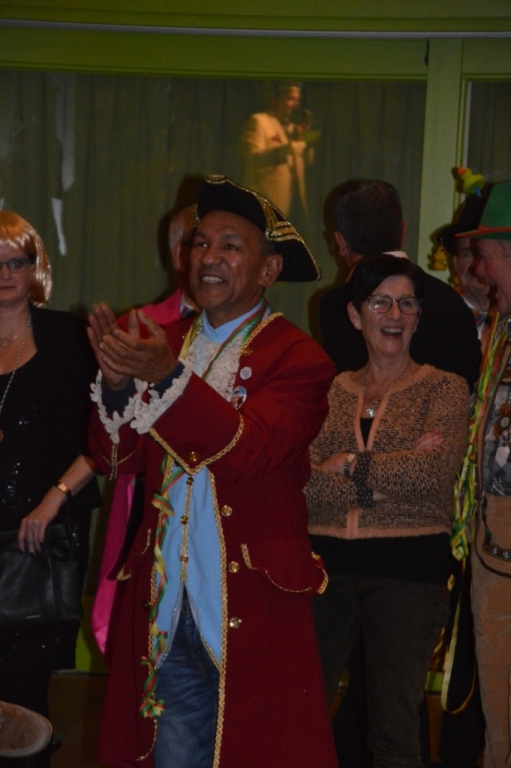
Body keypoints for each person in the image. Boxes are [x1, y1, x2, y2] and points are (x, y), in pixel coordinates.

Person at [87, 175, 337, 768]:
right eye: (200, 243)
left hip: (253, 602)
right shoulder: (162, 342)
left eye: (230, 245)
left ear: (269, 269)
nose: (208, 257)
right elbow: (114, 459)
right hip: (168, 602)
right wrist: (118, 385)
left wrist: (167, 377)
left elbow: (248, 450)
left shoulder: (299, 358)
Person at [305, 254, 469, 768]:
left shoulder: (445, 389)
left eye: (406, 304)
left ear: (418, 316)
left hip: (408, 575)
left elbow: (431, 478)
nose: (394, 315)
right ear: (356, 315)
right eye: (380, 302)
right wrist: (389, 478)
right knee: (302, 718)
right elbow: (302, 486)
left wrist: (345, 464)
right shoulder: (328, 392)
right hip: (325, 571)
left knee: (394, 734)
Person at [0, 211, 101, 768]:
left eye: (16, 262)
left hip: (41, 535)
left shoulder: (67, 335)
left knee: (24, 697)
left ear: (34, 267)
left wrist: (55, 495)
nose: (5, 274)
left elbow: (108, 434)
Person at [91, 204, 198, 660]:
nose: (213, 257)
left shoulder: (260, 338)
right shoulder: (136, 327)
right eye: (200, 244)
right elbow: (109, 443)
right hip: (151, 495)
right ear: (179, 254)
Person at [453, 182, 511, 768]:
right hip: (490, 537)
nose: (478, 268)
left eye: (485, 255)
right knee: (497, 692)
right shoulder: (501, 327)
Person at [320, 179, 481, 388]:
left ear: (341, 242)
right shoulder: (453, 303)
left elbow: (346, 393)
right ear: (403, 232)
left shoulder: (338, 304)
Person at [242, 82, 314, 219]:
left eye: (297, 100)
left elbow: (307, 162)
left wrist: (305, 141)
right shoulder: (259, 121)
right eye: (290, 99)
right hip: (267, 204)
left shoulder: (294, 128)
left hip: (294, 206)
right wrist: (291, 148)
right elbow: (252, 158)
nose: (296, 104)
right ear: (275, 100)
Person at [438, 193, 493, 347]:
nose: (477, 266)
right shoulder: (435, 320)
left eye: (483, 255)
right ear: (456, 263)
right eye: (467, 254)